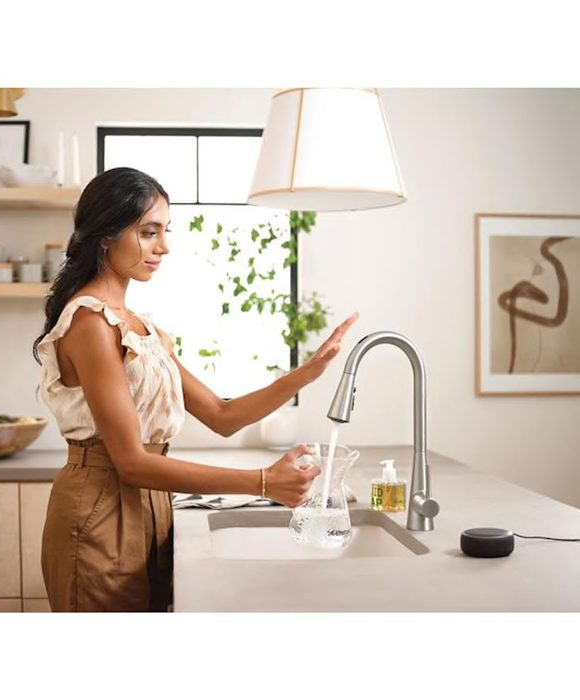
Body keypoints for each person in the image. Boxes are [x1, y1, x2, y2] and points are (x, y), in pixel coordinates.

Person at [33, 167, 359, 613]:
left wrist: (306, 373)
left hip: (150, 506)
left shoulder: (140, 328)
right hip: (99, 511)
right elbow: (131, 462)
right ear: (106, 235)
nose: (163, 246)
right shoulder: (90, 321)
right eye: (149, 232)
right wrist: (263, 482)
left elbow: (222, 416)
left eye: (165, 232)